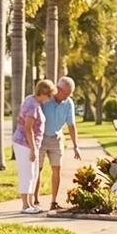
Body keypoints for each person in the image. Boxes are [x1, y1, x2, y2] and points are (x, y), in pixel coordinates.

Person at [34, 75, 81, 210]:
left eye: (69, 94)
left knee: (57, 169)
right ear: (59, 89)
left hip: (57, 138)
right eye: (65, 93)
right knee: (38, 169)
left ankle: (53, 202)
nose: (67, 96)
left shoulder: (69, 103)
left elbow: (71, 125)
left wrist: (75, 146)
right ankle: (36, 201)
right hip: (41, 138)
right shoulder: (46, 99)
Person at [12, 79, 57, 214]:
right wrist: (33, 149)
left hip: (30, 144)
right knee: (27, 174)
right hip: (25, 144)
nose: (49, 99)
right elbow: (28, 128)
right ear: (43, 93)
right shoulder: (32, 105)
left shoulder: (33, 101)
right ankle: (25, 205)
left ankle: (30, 204)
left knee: (33, 174)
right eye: (48, 96)